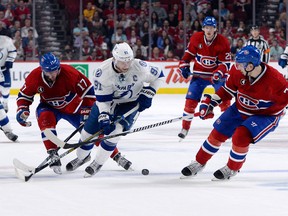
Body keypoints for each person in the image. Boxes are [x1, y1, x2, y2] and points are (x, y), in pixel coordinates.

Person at [181, 45, 288, 180]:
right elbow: (226, 91)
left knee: (241, 136)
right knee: (217, 133)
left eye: (240, 65)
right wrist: (210, 103)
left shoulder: (276, 82)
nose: (237, 67)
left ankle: (233, 168)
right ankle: (199, 162)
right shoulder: (238, 73)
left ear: (250, 66)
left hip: (265, 115)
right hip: (240, 108)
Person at [16, 53, 133, 174]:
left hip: (74, 109)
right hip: (49, 107)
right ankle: (52, 154)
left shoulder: (70, 73)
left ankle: (116, 156)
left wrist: (86, 113)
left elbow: (89, 93)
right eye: (49, 72)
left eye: (55, 71)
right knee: (45, 121)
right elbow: (24, 96)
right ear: (42, 69)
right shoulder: (34, 77)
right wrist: (22, 110)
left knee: (93, 133)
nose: (53, 75)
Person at [67, 42, 164, 177]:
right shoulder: (102, 73)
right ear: (114, 59)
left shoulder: (140, 66)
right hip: (108, 102)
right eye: (122, 62)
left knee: (116, 132)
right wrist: (104, 115)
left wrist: (150, 92)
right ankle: (82, 157)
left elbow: (160, 75)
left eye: (129, 61)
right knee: (87, 133)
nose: (127, 65)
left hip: (130, 104)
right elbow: (103, 101)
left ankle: (98, 162)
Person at [177, 16, 231, 140]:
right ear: (203, 28)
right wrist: (184, 66)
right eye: (207, 27)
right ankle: (185, 128)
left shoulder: (223, 41)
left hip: (216, 77)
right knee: (190, 103)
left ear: (215, 29)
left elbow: (225, 64)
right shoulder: (196, 38)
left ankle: (228, 128)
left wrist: (218, 73)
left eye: (211, 27)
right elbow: (188, 55)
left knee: (225, 103)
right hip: (199, 75)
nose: (209, 30)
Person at [0, 35, 17, 113]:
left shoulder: (6, 40)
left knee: (6, 88)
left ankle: (5, 102)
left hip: (4, 69)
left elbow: (13, 51)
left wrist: (9, 61)